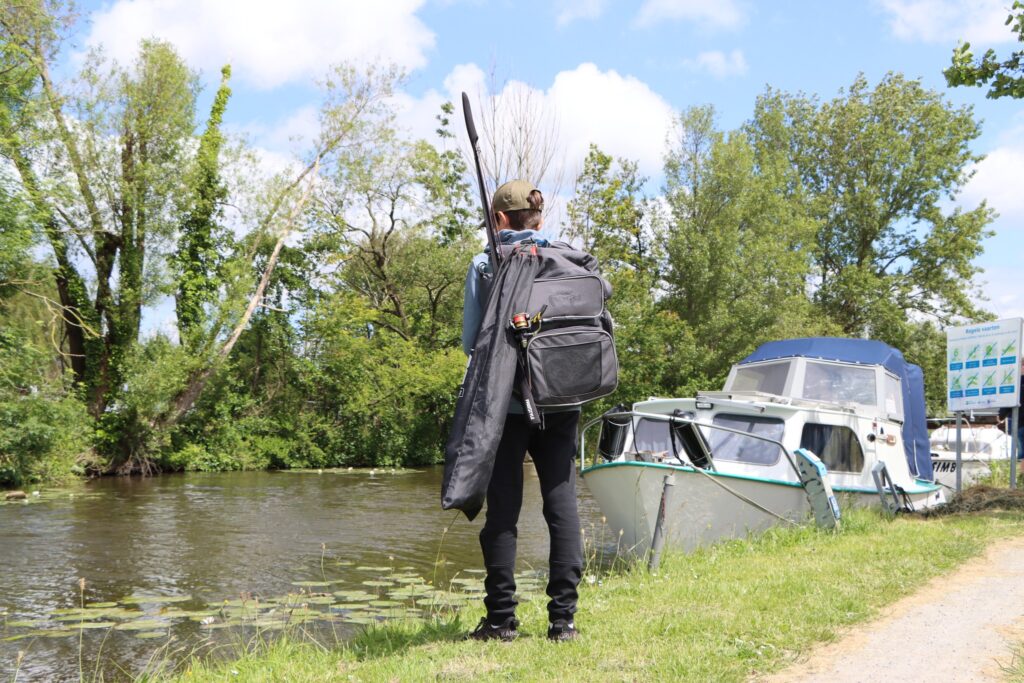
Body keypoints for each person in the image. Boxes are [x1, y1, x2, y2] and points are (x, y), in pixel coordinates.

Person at [462, 179, 582, 643]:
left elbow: (472, 341)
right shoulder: (567, 258)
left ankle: (500, 620)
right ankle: (563, 622)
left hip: (507, 404)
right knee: (562, 505)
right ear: (539, 219)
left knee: (504, 509)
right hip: (562, 399)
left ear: (498, 220)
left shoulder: (485, 263)